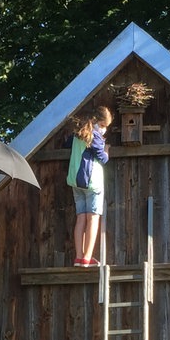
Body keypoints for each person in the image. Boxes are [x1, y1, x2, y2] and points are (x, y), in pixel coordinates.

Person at [66, 106, 113, 267]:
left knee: (80, 218)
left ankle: (79, 257)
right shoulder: (96, 136)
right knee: (93, 219)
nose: (104, 129)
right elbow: (103, 158)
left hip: (75, 181)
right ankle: (87, 258)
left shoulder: (77, 134)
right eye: (104, 125)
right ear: (98, 122)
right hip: (92, 182)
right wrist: (107, 150)